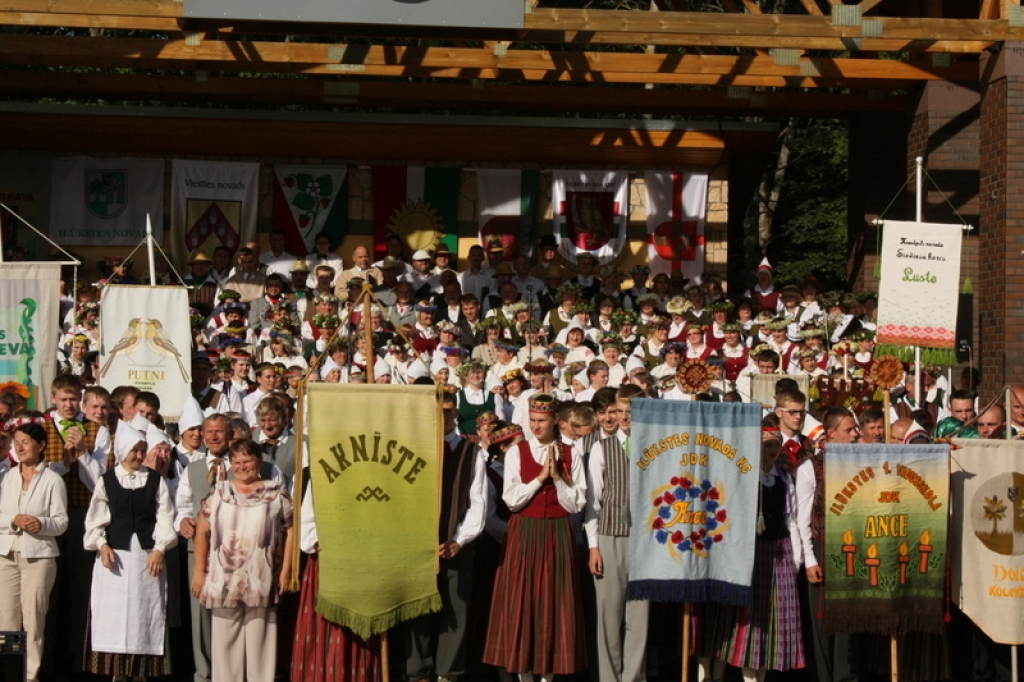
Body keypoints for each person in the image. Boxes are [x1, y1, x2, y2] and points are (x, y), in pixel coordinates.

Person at [484, 393, 588, 681]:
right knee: (523, 603)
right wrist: (540, 479)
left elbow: (576, 504)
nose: (536, 426)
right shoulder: (518, 452)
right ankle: (524, 676)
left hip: (557, 532)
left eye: (542, 420)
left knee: (553, 605)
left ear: (556, 420)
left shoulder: (572, 453)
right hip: (525, 532)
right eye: (532, 420)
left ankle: (548, 676)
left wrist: (556, 478)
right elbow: (512, 500)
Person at [706, 417, 805, 682]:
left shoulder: (784, 478)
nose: (773, 450)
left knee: (773, 622)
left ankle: (760, 677)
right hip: (751, 555)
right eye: (767, 445)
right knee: (751, 621)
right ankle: (747, 677)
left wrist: (796, 558)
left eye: (777, 445)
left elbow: (791, 519)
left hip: (779, 554)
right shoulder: (745, 476)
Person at [192, 438, 294, 682]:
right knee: (226, 645)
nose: (241, 466)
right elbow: (202, 532)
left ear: (259, 461)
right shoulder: (219, 492)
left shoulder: (276, 491)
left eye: (246, 460)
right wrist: (199, 572)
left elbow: (292, 531)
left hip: (262, 577)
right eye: (236, 462)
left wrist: (286, 571)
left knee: (262, 644)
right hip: (224, 579)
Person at [84, 420, 177, 679]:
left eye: (141, 450)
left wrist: (159, 548)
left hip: (146, 558)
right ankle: (117, 673)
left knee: (144, 612)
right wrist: (102, 545)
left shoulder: (155, 481)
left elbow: (165, 516)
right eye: (134, 450)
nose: (138, 455)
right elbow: (95, 520)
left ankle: (141, 672)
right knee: (113, 613)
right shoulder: (108, 481)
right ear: (123, 450)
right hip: (114, 560)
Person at [584, 384, 649, 682]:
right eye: (619, 411)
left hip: (645, 541)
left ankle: (633, 677)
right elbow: (593, 503)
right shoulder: (601, 447)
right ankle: (609, 678)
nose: (623, 417)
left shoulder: (654, 447)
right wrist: (593, 547)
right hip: (610, 537)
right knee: (609, 616)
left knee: (639, 617)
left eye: (629, 412)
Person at [0, 420, 68, 682]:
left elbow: (61, 522)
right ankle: (9, 674)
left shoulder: (52, 480)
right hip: (6, 556)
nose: (19, 447)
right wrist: (12, 520)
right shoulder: (7, 478)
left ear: (40, 445)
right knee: (6, 622)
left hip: (39, 558)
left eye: (25, 442)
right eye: (16, 443)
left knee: (34, 621)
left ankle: (32, 675)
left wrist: (42, 524)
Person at [796, 407, 860, 682]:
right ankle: (823, 676)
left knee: (848, 618)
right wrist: (810, 559)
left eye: (856, 429)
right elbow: (802, 517)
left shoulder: (862, 463)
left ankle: (845, 676)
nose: (856, 435)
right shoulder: (810, 467)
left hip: (854, 548)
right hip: (822, 546)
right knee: (822, 621)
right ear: (831, 433)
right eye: (849, 430)